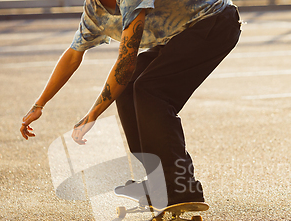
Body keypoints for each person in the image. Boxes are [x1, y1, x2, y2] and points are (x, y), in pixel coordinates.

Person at [20, 0, 241, 208]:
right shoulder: (94, 10)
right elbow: (72, 55)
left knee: (151, 90)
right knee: (128, 89)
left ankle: (181, 185)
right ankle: (158, 181)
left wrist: (93, 114)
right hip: (182, 33)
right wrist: (39, 105)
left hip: (215, 21)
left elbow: (126, 61)